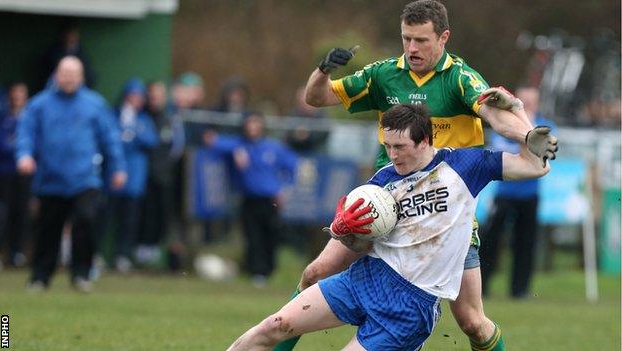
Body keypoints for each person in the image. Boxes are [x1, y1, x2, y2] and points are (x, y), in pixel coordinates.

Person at [275, 1, 558, 350]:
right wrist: (322, 70)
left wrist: (528, 136)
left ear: (443, 37)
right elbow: (316, 98)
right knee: (316, 272)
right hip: (386, 204)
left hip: (445, 215)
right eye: (406, 39)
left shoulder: (460, 78)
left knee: (471, 321)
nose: (412, 49)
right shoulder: (383, 75)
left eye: (421, 40)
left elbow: (496, 117)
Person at [227, 103, 556, 351]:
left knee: (473, 320)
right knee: (275, 325)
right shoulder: (382, 181)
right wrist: (347, 233)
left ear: (425, 140)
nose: (392, 155)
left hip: (409, 306)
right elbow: (365, 246)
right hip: (365, 279)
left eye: (400, 147)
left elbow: (532, 166)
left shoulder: (465, 165)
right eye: (387, 145)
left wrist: (520, 117)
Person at [16, 56, 126, 292]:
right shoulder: (39, 104)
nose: (68, 78)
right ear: (56, 74)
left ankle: (81, 274)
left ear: (81, 77)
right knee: (48, 229)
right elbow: (26, 132)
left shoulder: (94, 104)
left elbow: (110, 139)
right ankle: (40, 277)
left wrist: (118, 167)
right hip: (50, 179)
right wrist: (24, 155)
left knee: (86, 221)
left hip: (84, 178)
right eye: (64, 73)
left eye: (73, 74)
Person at [479, 86, 557, 299]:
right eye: (525, 101)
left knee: (526, 243)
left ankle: (520, 290)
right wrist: (526, 138)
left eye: (532, 101)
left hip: (529, 194)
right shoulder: (505, 124)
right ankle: (481, 287)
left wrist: (528, 130)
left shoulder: (546, 125)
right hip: (505, 192)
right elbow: (502, 149)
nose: (529, 104)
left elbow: (545, 153)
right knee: (490, 242)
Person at [206, 112, 297, 286]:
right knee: (253, 236)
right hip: (249, 199)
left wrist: (284, 189)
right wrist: (235, 151)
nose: (252, 128)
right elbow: (214, 143)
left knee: (270, 235)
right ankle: (257, 272)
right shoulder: (239, 145)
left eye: (256, 124)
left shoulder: (272, 147)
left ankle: (269, 270)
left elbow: (292, 165)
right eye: (249, 124)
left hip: (270, 200)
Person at [105, 78, 158, 273]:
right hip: (114, 177)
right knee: (106, 217)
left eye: (140, 96)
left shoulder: (143, 120)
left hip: (135, 179)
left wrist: (132, 130)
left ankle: (122, 255)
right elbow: (110, 141)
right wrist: (124, 130)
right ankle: (97, 255)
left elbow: (151, 141)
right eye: (133, 96)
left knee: (129, 220)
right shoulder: (113, 115)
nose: (136, 100)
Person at [136, 81, 185, 268]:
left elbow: (176, 148)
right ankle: (140, 250)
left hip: (163, 176)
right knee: (142, 213)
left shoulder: (170, 120)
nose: (156, 98)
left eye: (160, 94)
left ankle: (158, 251)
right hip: (143, 176)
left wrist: (164, 165)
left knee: (163, 214)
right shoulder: (141, 118)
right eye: (153, 94)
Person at [0, 82, 32, 269]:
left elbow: (34, 145)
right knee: (3, 213)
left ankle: (17, 253)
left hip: (24, 174)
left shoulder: (31, 117)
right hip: (4, 174)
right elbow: (2, 144)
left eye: (22, 93)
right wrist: (18, 150)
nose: (18, 97)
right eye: (15, 93)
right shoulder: (3, 118)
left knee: (22, 211)